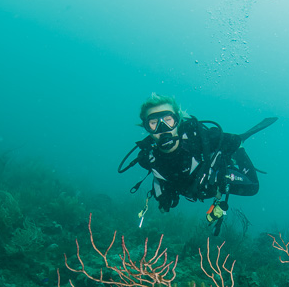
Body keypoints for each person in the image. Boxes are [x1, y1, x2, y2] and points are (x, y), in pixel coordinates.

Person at [118, 93, 277, 234]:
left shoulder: (199, 139)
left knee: (252, 187)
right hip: (191, 188)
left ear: (177, 121)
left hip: (213, 178)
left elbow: (231, 141)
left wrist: (233, 148)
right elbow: (159, 176)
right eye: (153, 123)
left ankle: (239, 151)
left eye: (168, 120)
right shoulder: (147, 158)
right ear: (146, 128)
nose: (163, 129)